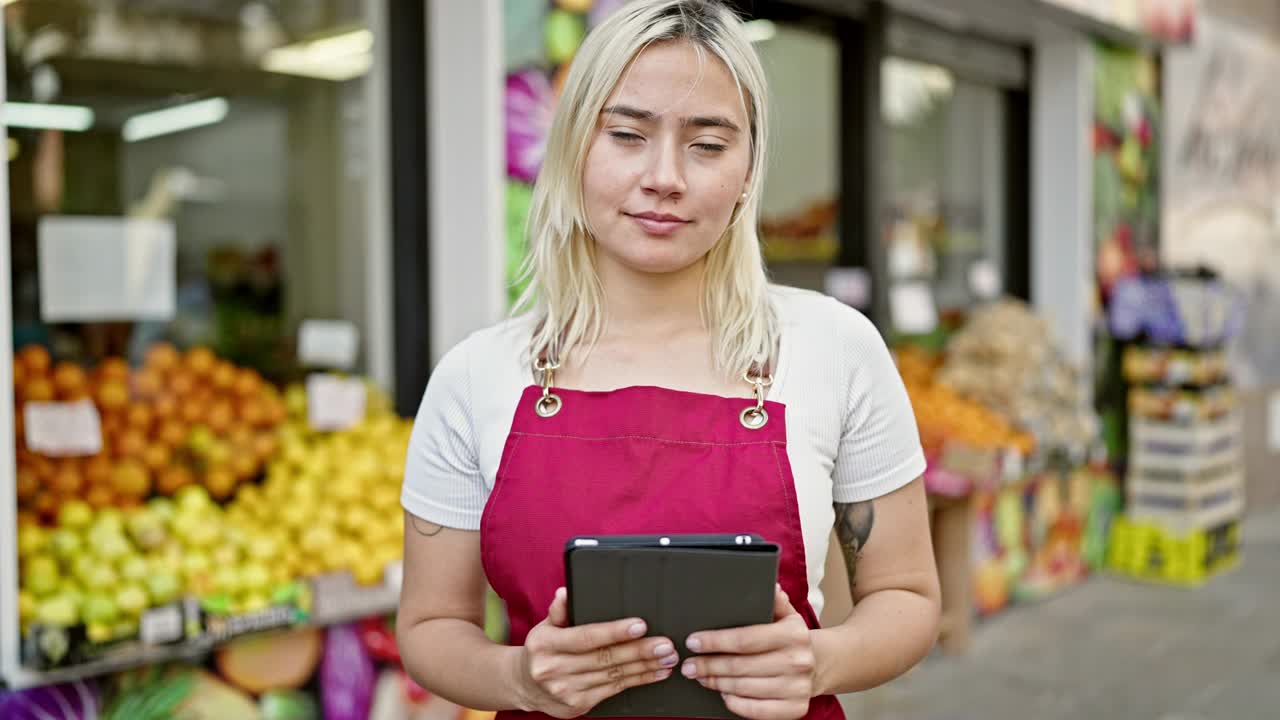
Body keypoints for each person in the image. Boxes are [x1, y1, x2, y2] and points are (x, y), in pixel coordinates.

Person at [397, 2, 940, 719]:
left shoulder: (835, 348)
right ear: (572, 147)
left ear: (749, 168)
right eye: (626, 135)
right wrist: (521, 679)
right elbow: (432, 627)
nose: (665, 178)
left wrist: (817, 662)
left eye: (708, 145)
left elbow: (908, 595)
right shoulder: (478, 375)